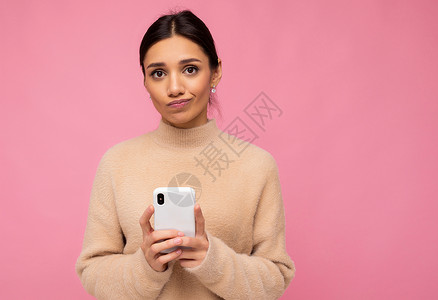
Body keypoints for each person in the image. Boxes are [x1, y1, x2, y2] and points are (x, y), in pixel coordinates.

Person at [76, 9, 295, 300]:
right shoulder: (116, 163)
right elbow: (92, 270)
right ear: (145, 82)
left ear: (215, 71)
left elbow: (276, 276)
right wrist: (147, 267)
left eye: (190, 69)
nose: (175, 88)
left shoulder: (257, 166)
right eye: (158, 73)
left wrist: (211, 260)